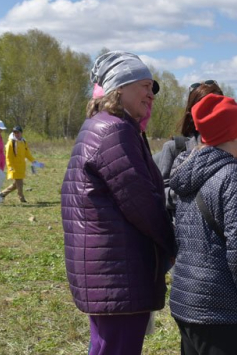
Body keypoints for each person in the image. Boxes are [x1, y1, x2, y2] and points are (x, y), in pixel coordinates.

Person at [61, 51, 175, 355]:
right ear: (119, 88)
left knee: (104, 346)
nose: (151, 95)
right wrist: (172, 245)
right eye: (145, 86)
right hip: (118, 269)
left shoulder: (103, 125)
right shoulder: (114, 131)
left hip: (108, 268)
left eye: (152, 89)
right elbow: (142, 204)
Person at [169, 93, 237, 355]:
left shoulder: (187, 171)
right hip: (221, 310)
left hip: (186, 301)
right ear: (236, 133)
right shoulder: (234, 177)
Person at [154, 80, 237, 205]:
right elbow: (160, 194)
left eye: (219, 105)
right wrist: (198, 191)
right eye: (205, 108)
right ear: (193, 114)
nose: (213, 113)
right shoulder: (175, 148)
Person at [2, 125, 37, 203]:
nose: (16, 134)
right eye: (15, 132)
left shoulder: (24, 142)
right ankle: (21, 198)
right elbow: (8, 156)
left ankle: (2, 194)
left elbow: (27, 153)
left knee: (16, 184)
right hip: (14, 167)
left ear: (21, 133)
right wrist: (10, 166)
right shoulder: (11, 142)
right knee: (20, 183)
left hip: (21, 166)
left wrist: (33, 160)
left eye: (18, 132)